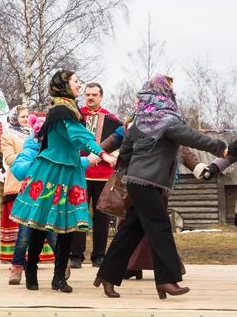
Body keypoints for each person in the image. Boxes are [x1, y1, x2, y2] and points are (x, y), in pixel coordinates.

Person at [94, 75, 227, 299]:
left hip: (138, 182)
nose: (173, 94)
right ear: (163, 93)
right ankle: (166, 280)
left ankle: (107, 275)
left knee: (130, 231)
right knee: (161, 228)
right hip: (146, 185)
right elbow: (191, 136)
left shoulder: (142, 120)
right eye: (170, 91)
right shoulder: (166, 121)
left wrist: (127, 168)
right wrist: (219, 147)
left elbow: (126, 148)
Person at [10, 70, 116, 293]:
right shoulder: (60, 109)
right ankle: (31, 268)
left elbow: (77, 137)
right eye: (76, 81)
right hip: (51, 169)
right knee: (40, 222)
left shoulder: (69, 108)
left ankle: (59, 277)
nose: (79, 84)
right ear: (64, 85)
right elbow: (80, 136)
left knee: (67, 225)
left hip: (70, 170)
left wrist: (95, 157)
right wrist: (104, 154)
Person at [99, 120, 209, 279]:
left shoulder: (167, 124)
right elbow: (113, 141)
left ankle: (163, 271)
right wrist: (95, 153)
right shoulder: (131, 126)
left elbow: (183, 150)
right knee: (128, 225)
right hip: (132, 182)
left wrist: (197, 166)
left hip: (157, 183)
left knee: (154, 227)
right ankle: (130, 268)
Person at [9, 113, 98, 285]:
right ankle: (22, 268)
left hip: (58, 197)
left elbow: (71, 161)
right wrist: (41, 163)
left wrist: (87, 160)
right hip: (37, 200)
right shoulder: (32, 149)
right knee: (28, 235)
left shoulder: (65, 148)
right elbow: (18, 169)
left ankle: (60, 271)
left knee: (57, 235)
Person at [0, 106, 55, 282]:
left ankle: (61, 263)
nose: (24, 119)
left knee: (50, 229)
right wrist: (29, 156)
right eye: (21, 116)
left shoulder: (38, 135)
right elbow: (9, 159)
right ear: (14, 118)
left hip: (42, 186)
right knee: (23, 231)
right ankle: (17, 266)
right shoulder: (9, 136)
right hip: (19, 185)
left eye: (26, 116)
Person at [70, 82, 121, 269]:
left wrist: (105, 158)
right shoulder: (76, 116)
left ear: (101, 97)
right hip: (80, 171)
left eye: (94, 95)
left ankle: (99, 255)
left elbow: (119, 145)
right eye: (87, 94)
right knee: (78, 213)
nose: (90, 98)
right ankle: (76, 255)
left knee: (102, 216)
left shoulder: (112, 118)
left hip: (103, 174)